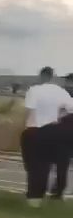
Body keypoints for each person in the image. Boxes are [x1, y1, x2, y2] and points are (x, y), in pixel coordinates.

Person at [21, 66, 73, 207]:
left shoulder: (34, 90)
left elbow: (29, 111)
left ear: (41, 76)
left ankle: (34, 196)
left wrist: (24, 127)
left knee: (34, 166)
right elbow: (71, 108)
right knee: (46, 165)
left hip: (36, 129)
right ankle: (43, 195)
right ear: (53, 77)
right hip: (54, 131)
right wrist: (59, 116)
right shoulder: (60, 92)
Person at [50, 73, 73, 199]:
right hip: (63, 133)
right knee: (61, 163)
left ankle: (58, 189)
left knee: (61, 163)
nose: (66, 84)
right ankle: (58, 187)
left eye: (69, 81)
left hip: (65, 134)